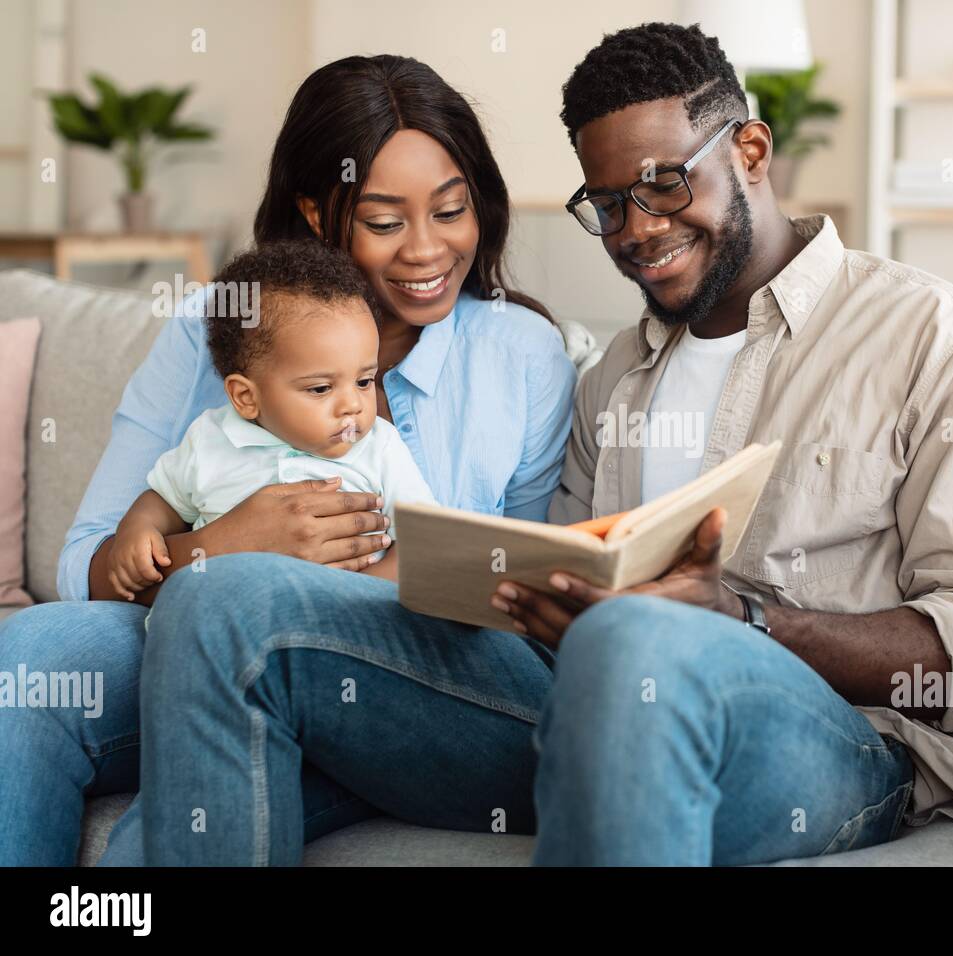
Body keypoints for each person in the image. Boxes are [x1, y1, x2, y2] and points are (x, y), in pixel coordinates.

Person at [132, 24, 953, 866]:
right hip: (581, 710)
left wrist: (743, 622)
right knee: (224, 599)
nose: (639, 229)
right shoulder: (615, 374)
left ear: (751, 150)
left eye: (663, 183)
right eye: (608, 204)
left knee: (635, 641)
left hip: (845, 745)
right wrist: (534, 597)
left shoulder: (933, 335)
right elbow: (558, 596)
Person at [0, 54, 575, 866]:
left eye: (452, 211)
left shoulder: (522, 354)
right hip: (213, 652)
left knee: (239, 629)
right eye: (384, 222)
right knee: (27, 661)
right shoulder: (217, 326)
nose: (427, 250)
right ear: (315, 211)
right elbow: (84, 563)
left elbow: (527, 600)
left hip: (427, 686)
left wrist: (332, 596)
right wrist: (224, 549)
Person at [105, 240, 437, 601]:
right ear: (247, 398)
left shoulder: (379, 447)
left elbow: (424, 543)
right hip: (214, 623)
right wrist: (137, 531)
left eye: (363, 381)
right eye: (321, 388)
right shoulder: (210, 439)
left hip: (339, 624)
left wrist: (358, 596)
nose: (352, 405)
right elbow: (163, 500)